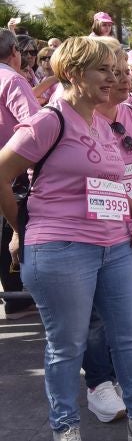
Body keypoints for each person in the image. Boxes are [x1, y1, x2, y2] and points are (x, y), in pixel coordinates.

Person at [0, 36, 132, 441]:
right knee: (68, 346)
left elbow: (113, 182)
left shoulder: (102, 123)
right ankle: (65, 428)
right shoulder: (48, 120)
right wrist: (24, 228)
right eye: (105, 71)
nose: (115, 79)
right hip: (61, 248)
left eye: (116, 70)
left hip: (116, 245)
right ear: (75, 74)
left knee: (130, 339)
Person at [83, 36, 132, 424]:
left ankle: (117, 375)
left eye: (126, 71)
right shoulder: (76, 116)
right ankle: (98, 383)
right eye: (113, 71)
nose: (124, 79)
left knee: (125, 313)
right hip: (97, 227)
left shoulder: (128, 114)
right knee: (96, 316)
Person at [0, 28, 39, 320]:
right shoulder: (13, 80)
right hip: (12, 174)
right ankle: (17, 297)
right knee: (13, 234)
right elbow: (35, 126)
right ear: (14, 52)